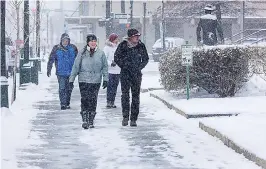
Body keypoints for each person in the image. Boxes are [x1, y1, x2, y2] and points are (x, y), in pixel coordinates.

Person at [69, 34, 108, 129]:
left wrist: (106, 78)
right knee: (85, 99)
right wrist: (71, 80)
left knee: (93, 100)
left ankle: (91, 120)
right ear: (88, 42)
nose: (93, 43)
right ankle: (85, 119)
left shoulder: (101, 53)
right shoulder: (82, 53)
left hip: (96, 80)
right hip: (84, 80)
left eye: (94, 41)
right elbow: (76, 66)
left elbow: (105, 67)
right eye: (91, 41)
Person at [114, 28, 149, 127]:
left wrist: (139, 67)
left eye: (138, 36)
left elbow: (146, 59)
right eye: (135, 36)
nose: (137, 38)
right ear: (130, 37)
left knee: (136, 96)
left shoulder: (141, 46)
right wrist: (124, 65)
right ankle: (125, 117)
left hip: (136, 74)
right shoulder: (123, 45)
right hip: (125, 74)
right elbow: (116, 57)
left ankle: (134, 119)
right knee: (125, 95)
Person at [47, 33, 78, 110]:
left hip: (71, 73)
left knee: (69, 88)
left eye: (67, 40)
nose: (65, 42)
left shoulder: (73, 48)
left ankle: (67, 103)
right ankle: (63, 104)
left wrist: (79, 70)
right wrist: (49, 69)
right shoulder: (56, 48)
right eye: (64, 40)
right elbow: (51, 59)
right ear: (61, 41)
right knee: (62, 88)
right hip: (60, 73)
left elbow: (78, 60)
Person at [103, 33, 120, 108]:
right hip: (110, 71)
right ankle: (109, 101)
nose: (117, 40)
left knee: (115, 87)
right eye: (115, 39)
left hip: (118, 70)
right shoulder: (107, 48)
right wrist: (110, 63)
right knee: (110, 87)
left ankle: (112, 101)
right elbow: (104, 59)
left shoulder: (118, 47)